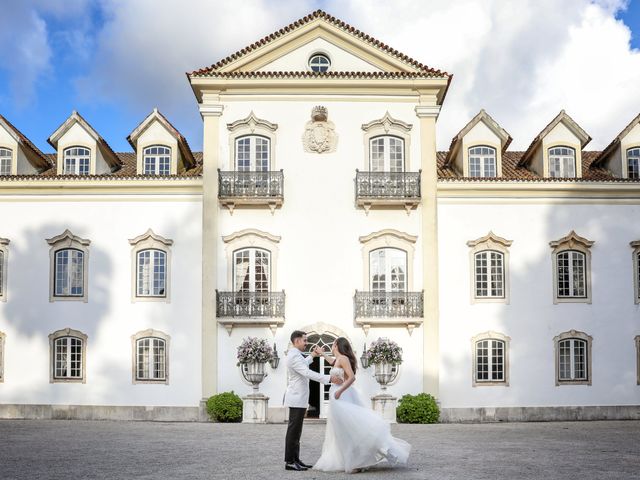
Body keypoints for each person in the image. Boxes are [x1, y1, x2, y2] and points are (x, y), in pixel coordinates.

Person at [313, 337, 411, 473]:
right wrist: (321, 353)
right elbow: (332, 361)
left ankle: (366, 457)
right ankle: (353, 460)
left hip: (342, 395)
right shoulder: (339, 359)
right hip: (337, 396)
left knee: (350, 430)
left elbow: (352, 377)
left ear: (336, 345)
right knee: (343, 431)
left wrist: (340, 390)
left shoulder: (343, 359)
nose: (332, 346)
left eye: (333, 343)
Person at [283, 330, 343, 471]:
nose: (307, 343)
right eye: (304, 340)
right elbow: (307, 372)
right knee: (293, 431)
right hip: (296, 398)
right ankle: (290, 461)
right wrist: (329, 378)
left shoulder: (296, 354)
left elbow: (303, 364)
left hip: (299, 398)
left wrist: (313, 355)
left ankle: (296, 459)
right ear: (297, 341)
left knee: (297, 431)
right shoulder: (293, 356)